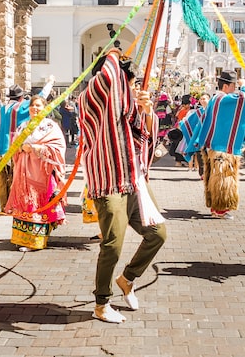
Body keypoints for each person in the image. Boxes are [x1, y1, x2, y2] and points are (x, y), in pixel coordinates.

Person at [77, 49, 167, 324]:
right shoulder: (94, 97)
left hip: (135, 181)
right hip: (109, 182)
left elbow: (144, 139)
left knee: (157, 234)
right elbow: (107, 80)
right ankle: (101, 303)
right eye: (131, 83)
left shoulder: (127, 105)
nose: (135, 88)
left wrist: (146, 111)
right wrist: (114, 55)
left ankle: (127, 278)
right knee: (113, 245)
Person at [185, 71, 245, 219]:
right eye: (233, 85)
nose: (235, 89)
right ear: (226, 86)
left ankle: (215, 207)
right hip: (222, 148)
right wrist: (244, 86)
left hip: (213, 145)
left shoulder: (215, 99)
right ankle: (220, 210)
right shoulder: (223, 99)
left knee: (214, 178)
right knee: (223, 179)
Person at [0, 79, 54, 210]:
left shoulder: (1, 110)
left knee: (2, 183)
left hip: (0, 153)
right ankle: (14, 207)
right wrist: (50, 83)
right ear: (21, 97)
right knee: (16, 181)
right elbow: (41, 97)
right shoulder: (23, 107)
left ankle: (4, 207)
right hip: (15, 151)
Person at [5, 95, 67, 251]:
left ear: (45, 108)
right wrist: (20, 148)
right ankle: (22, 238)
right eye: (32, 105)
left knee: (38, 205)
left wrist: (36, 148)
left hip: (41, 173)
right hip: (24, 173)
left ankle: (35, 241)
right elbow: (14, 145)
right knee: (24, 204)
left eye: (38, 105)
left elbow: (58, 147)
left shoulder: (50, 127)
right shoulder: (23, 126)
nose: (35, 108)